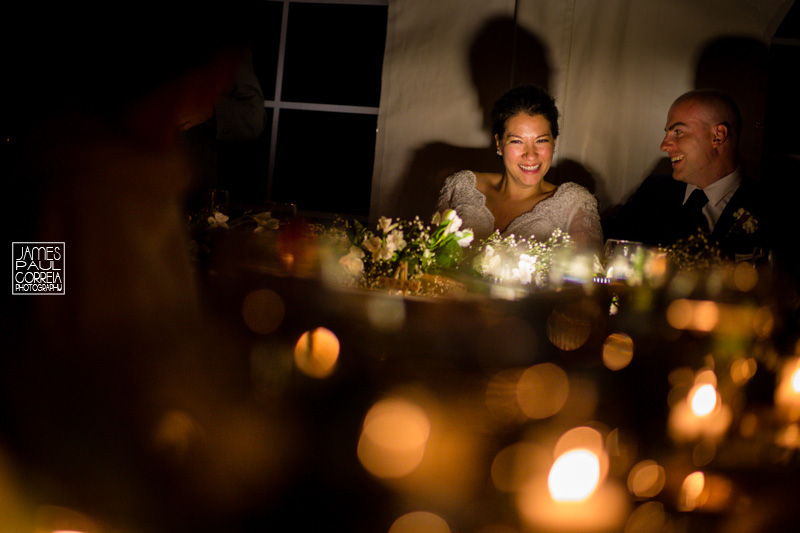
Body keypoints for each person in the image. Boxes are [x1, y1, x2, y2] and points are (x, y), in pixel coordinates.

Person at [602, 89, 767, 259]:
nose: (664, 145)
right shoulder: (654, 191)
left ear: (718, 136)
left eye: (678, 132)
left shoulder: (769, 207)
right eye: (667, 133)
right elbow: (604, 239)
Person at [435, 84, 602, 252]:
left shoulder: (574, 204)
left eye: (541, 140)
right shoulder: (462, 187)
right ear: (499, 144)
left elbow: (589, 272)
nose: (531, 155)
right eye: (517, 141)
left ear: (554, 142)